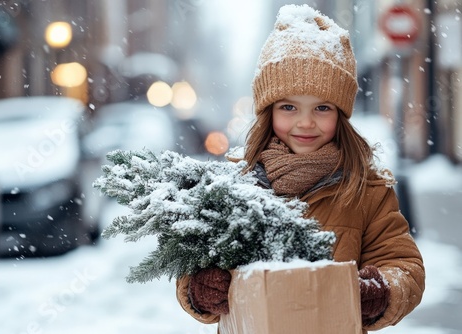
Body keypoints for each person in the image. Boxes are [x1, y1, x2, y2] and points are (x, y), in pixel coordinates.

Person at [176, 4, 425, 333]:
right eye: (289, 107)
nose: (305, 122)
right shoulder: (237, 184)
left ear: (340, 114)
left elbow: (404, 266)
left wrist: (381, 291)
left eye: (322, 107)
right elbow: (192, 264)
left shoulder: (366, 190)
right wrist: (199, 289)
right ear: (269, 112)